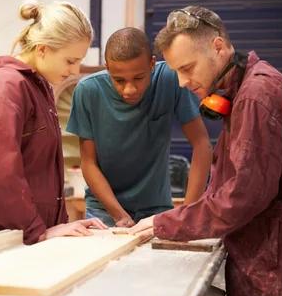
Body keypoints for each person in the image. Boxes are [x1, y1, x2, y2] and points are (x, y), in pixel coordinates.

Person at [129, 6, 282, 296]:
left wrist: (168, 223)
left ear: (219, 47)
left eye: (187, 68)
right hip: (269, 254)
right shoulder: (245, 90)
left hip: (278, 261)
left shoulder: (257, 96)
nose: (181, 82)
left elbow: (242, 195)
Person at [0, 0, 106, 245]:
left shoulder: (38, 87)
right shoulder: (6, 86)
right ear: (42, 49)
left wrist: (59, 225)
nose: (75, 70)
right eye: (70, 61)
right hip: (7, 240)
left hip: (29, 237)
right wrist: (36, 230)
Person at [66, 27, 213, 227]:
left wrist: (186, 214)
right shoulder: (88, 91)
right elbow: (89, 163)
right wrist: (120, 216)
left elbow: (202, 144)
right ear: (107, 68)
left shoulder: (170, 80)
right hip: (104, 211)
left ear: (152, 63)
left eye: (139, 78)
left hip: (156, 210)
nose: (129, 89)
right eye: (119, 80)